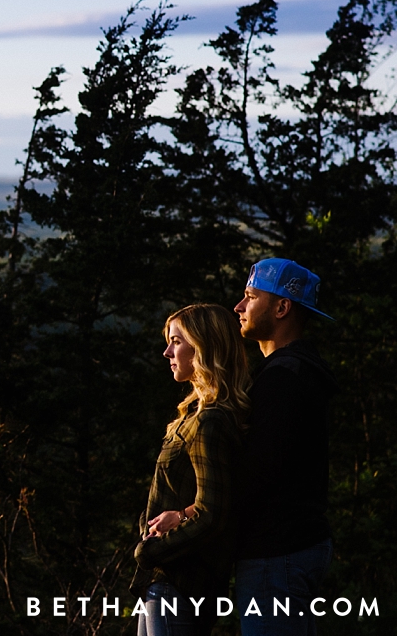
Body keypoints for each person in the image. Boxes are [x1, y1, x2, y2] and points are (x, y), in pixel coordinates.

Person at [232, 259, 337, 636]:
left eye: (249, 296)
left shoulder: (282, 377)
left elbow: (260, 471)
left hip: (276, 554)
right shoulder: (297, 371)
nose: (239, 307)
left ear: (281, 307)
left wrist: (196, 513)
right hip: (294, 548)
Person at [134, 303, 250, 636]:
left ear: (203, 346)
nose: (167, 351)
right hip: (167, 581)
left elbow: (213, 512)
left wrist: (150, 551)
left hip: (181, 582)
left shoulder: (210, 422)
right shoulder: (195, 417)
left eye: (176, 341)